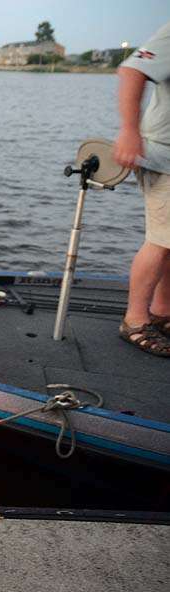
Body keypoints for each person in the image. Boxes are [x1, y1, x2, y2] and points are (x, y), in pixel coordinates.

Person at [114, 21, 170, 356]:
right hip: (164, 156)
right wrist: (128, 131)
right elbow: (131, 70)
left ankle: (163, 311)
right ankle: (135, 320)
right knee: (160, 240)